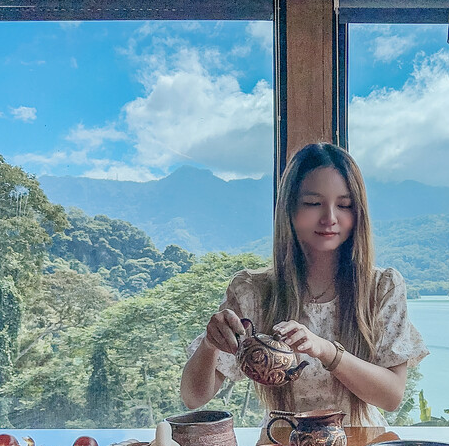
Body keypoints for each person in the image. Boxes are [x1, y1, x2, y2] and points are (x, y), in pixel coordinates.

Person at [181, 143, 428, 427]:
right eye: (313, 203)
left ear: (358, 213)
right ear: (290, 210)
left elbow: (391, 396)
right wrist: (210, 345)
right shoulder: (253, 291)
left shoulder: (381, 287)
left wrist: (325, 350)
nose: (330, 218)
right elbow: (193, 397)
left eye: (344, 205)